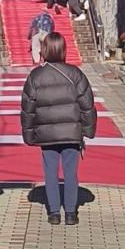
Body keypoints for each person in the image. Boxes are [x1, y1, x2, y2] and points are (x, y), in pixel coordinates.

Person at [20, 33, 96, 226]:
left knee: (50, 173)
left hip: (46, 134)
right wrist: (87, 130)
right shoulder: (76, 74)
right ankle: (71, 212)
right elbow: (87, 105)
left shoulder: (36, 76)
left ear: (44, 50)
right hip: (71, 132)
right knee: (71, 172)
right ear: (63, 50)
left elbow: (28, 109)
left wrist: (29, 135)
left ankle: (54, 212)